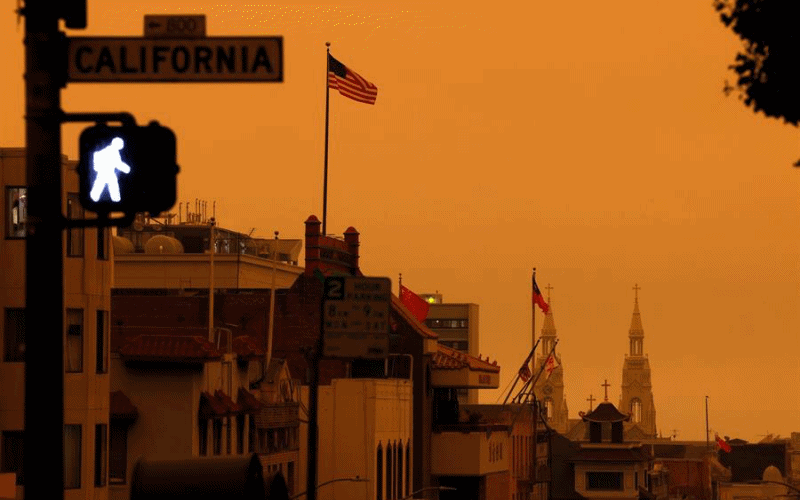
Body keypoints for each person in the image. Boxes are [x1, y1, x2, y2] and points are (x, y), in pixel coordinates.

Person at [89, 137, 130, 202]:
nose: (121, 146)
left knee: (101, 184)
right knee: (110, 184)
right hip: (106, 171)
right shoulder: (112, 151)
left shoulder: (111, 150)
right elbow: (117, 163)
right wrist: (126, 169)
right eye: (121, 144)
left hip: (105, 171)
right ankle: (114, 198)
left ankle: (95, 196)